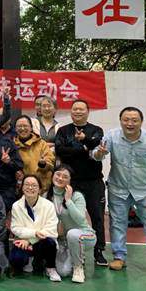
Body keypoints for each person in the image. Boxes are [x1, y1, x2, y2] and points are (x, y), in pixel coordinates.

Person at [93, 107, 146, 276]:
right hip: (118, 190)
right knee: (117, 224)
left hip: (145, 192)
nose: (130, 123)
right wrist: (99, 153)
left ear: (141, 122)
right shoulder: (111, 136)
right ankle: (119, 257)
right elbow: (96, 155)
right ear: (120, 121)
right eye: (126, 120)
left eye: (134, 120)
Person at [54, 99, 107, 266]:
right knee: (70, 216)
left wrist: (85, 140)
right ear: (71, 112)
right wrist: (83, 149)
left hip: (93, 181)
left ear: (87, 112)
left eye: (81, 109)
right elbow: (59, 150)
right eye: (75, 109)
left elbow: (97, 145)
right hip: (71, 182)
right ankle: (73, 249)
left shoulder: (96, 130)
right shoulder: (63, 131)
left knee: (97, 216)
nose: (77, 112)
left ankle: (99, 251)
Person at [45, 165, 96, 283]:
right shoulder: (46, 196)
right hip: (63, 240)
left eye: (65, 177)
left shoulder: (76, 196)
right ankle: (73, 255)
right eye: (58, 174)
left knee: (72, 234)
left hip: (85, 235)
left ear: (70, 181)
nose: (60, 178)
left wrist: (68, 200)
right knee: (63, 272)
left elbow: (81, 220)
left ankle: (78, 267)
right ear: (52, 176)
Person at [10, 175, 60, 281]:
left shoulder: (49, 205)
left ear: (40, 189)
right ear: (22, 187)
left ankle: (50, 267)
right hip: (23, 242)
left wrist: (30, 240)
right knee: (16, 260)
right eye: (27, 184)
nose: (30, 188)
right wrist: (34, 234)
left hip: (41, 242)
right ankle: (31, 259)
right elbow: (15, 228)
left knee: (50, 243)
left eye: (34, 185)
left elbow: (51, 230)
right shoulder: (16, 206)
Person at [14, 115, 55, 193]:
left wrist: (43, 164)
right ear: (15, 129)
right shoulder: (12, 145)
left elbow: (51, 161)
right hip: (22, 189)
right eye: (19, 126)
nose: (22, 128)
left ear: (31, 128)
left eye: (25, 126)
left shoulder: (41, 143)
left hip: (42, 187)